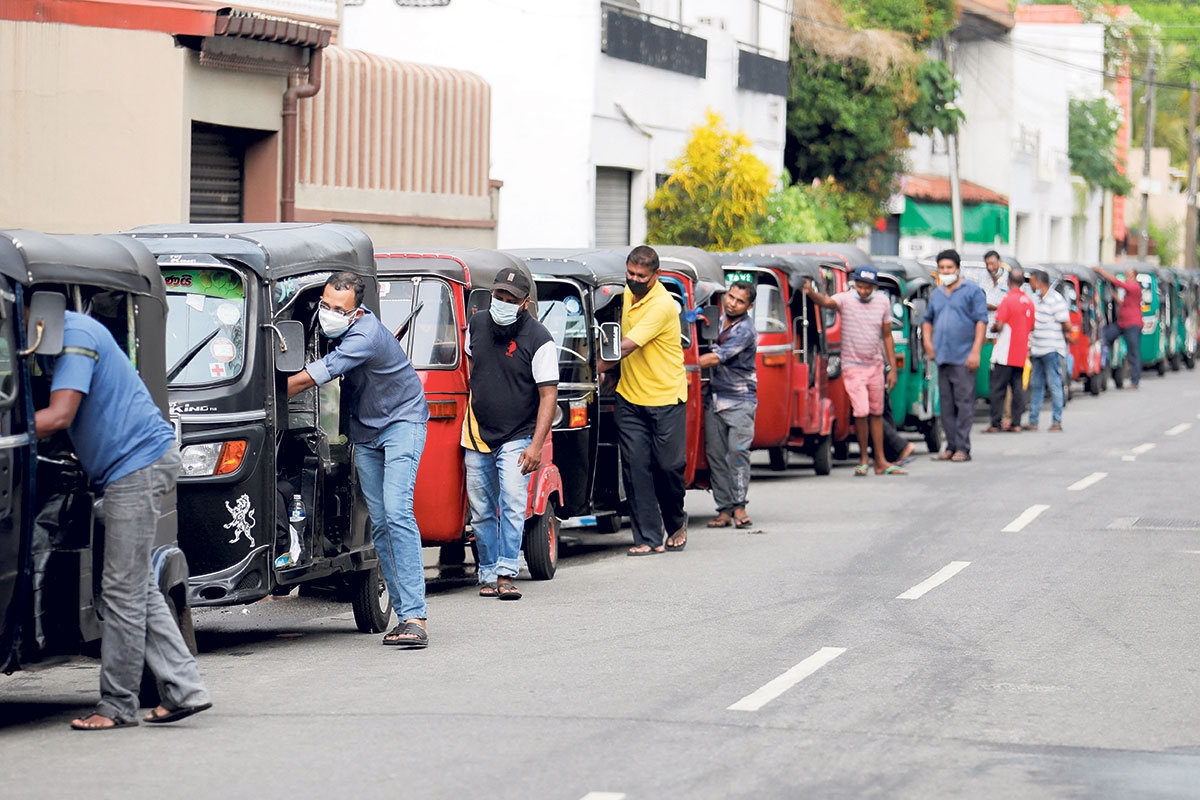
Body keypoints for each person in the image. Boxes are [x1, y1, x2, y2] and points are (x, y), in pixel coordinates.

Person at [35, 310, 211, 730]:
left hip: (136, 466)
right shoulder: (57, 336)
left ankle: (116, 704)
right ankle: (186, 688)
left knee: (120, 588)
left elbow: (59, 414)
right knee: (136, 585)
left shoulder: (75, 333)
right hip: (131, 465)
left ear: (35, 308)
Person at [287, 272, 431, 647]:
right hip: (366, 432)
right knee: (381, 523)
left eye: (339, 309)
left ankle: (415, 617)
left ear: (356, 312)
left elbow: (314, 377)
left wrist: (257, 394)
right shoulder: (328, 330)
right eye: (325, 305)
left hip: (402, 421)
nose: (330, 313)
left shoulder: (365, 335)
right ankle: (404, 616)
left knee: (398, 513)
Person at [462, 267, 558, 600]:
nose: (502, 303)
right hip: (477, 433)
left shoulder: (539, 338)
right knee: (481, 509)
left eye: (510, 299)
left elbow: (548, 395)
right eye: (498, 296)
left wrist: (535, 446)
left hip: (519, 434)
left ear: (525, 303)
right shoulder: (475, 324)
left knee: (513, 502)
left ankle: (506, 573)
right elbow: (472, 370)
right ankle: (487, 573)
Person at [597, 245, 688, 555]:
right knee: (635, 468)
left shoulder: (662, 304)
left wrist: (591, 366)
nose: (634, 279)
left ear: (655, 275)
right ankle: (647, 537)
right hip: (630, 397)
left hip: (666, 396)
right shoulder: (625, 293)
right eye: (630, 274)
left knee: (668, 467)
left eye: (640, 276)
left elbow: (624, 347)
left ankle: (676, 522)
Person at [805, 266, 905, 476]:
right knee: (861, 411)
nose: (863, 291)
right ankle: (863, 459)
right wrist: (811, 292)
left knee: (876, 413)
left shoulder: (882, 302)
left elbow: (887, 335)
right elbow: (826, 302)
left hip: (875, 365)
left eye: (867, 287)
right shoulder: (845, 299)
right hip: (852, 366)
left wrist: (892, 368)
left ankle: (880, 460)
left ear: (874, 287)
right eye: (859, 286)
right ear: (854, 285)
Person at [697, 281, 758, 529]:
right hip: (714, 399)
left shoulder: (745, 330)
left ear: (749, 306)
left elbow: (716, 357)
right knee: (716, 456)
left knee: (738, 455)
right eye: (730, 297)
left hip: (740, 401)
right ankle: (724, 509)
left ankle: (739, 507)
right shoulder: (716, 320)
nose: (732, 303)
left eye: (739, 300)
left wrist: (678, 364)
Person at [922, 249, 987, 462]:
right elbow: (927, 320)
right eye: (941, 268)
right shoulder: (938, 293)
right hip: (942, 356)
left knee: (964, 403)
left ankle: (963, 448)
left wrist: (976, 351)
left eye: (949, 268)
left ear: (957, 269)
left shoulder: (972, 291)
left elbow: (981, 321)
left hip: (964, 356)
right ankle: (950, 446)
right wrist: (928, 344)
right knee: (946, 405)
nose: (945, 271)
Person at [985, 268, 1035, 433]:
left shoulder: (1007, 300)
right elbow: (1032, 326)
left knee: (998, 389)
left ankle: (995, 423)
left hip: (1004, 353)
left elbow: (998, 324)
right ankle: (1016, 423)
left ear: (1008, 282)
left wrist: (993, 327)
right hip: (1021, 353)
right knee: (1017, 389)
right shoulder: (1028, 301)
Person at [1025, 269, 1071, 432]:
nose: (1030, 284)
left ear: (1038, 281)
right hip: (1037, 350)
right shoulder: (1035, 300)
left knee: (1054, 385)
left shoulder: (1056, 300)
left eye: (1031, 281)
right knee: (1036, 385)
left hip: (1052, 350)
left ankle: (1056, 421)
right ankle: (1033, 421)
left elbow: (1067, 324)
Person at [1095, 265, 1143, 389]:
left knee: (1133, 352)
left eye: (1129, 275)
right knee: (1105, 337)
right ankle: (1103, 367)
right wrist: (1113, 295)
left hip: (1132, 324)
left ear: (1134, 276)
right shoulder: (1129, 292)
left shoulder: (1135, 287)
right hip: (1122, 323)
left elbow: (1119, 283)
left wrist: (1102, 272)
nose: (1127, 277)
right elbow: (1124, 304)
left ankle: (1135, 380)